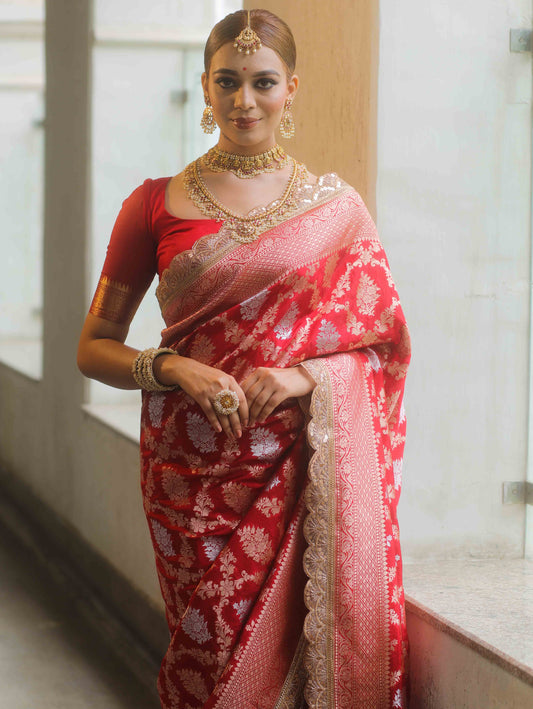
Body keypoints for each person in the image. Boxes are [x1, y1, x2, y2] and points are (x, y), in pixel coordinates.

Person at [77, 8, 410, 709]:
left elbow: (382, 343)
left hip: (296, 471)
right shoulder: (152, 206)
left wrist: (300, 376)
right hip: (187, 478)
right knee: (207, 660)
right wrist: (172, 367)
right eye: (226, 81)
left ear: (291, 87)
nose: (243, 100)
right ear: (203, 86)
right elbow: (94, 344)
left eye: (261, 82)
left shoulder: (336, 214)